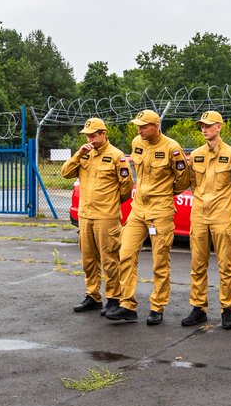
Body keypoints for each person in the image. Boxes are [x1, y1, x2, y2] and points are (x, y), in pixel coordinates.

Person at [107, 110, 191, 325]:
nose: (139, 130)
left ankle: (157, 306)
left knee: (159, 260)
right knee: (125, 253)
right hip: (138, 209)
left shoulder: (172, 148)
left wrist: (165, 193)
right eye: (138, 126)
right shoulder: (137, 143)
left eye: (143, 127)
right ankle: (127, 305)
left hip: (160, 211)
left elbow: (184, 179)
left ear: (156, 126)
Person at [182, 111, 231, 330]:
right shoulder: (196, 155)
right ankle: (198, 308)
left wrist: (226, 205)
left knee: (225, 265)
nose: (204, 129)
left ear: (219, 127)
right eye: (202, 126)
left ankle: (227, 310)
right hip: (199, 216)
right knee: (197, 264)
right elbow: (193, 183)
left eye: (208, 125)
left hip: (222, 217)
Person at [61, 117, 133, 317]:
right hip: (85, 215)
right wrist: (78, 154)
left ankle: (113, 298)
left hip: (106, 216)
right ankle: (93, 296)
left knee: (110, 259)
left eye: (93, 135)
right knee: (88, 259)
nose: (90, 139)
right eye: (87, 136)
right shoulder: (84, 155)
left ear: (103, 134)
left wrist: (110, 203)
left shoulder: (117, 156)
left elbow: (126, 187)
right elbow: (65, 173)